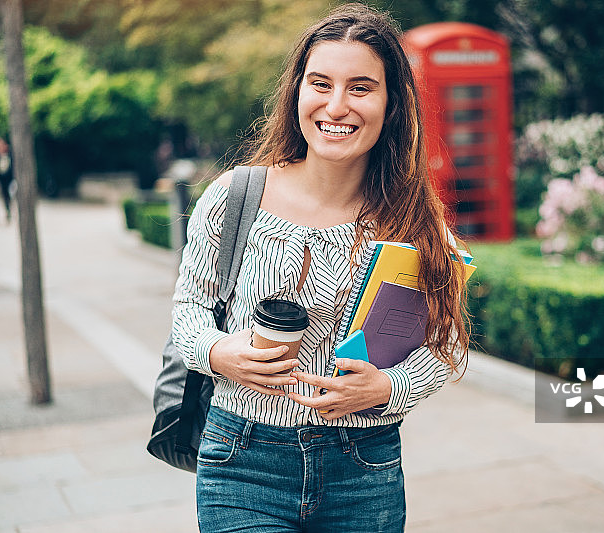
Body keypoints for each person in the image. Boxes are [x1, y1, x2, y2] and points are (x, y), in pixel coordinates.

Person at [171, 4, 471, 532]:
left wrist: (387, 388)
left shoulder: (414, 221)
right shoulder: (233, 197)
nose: (336, 105)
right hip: (242, 462)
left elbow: (446, 347)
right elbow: (186, 315)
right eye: (320, 83)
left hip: (364, 467)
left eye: (360, 87)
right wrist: (219, 353)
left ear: (391, 104)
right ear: (297, 94)